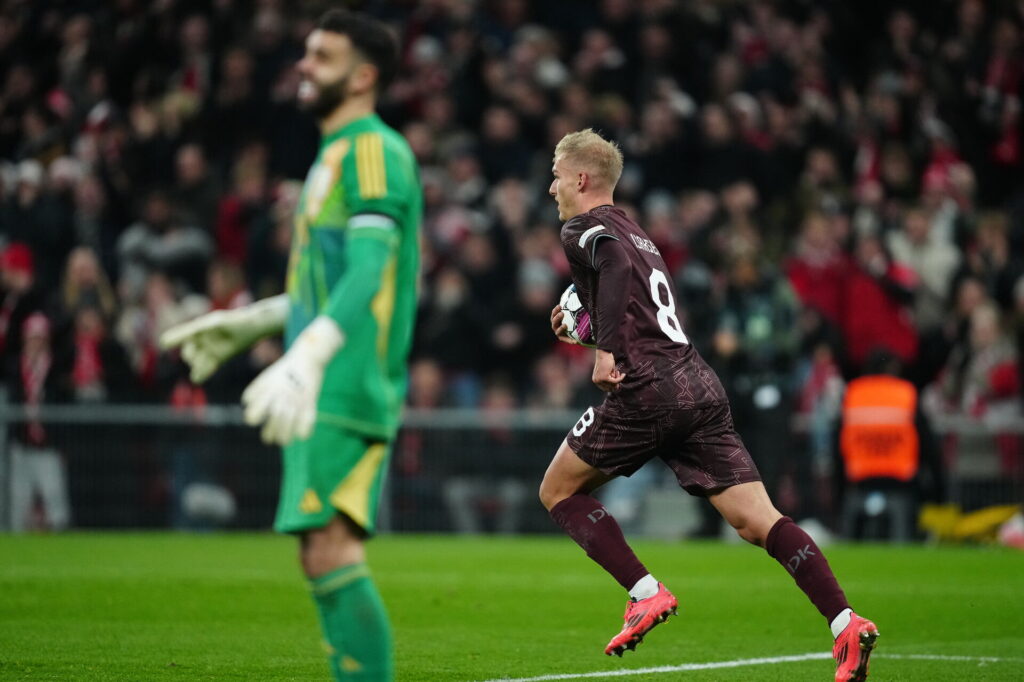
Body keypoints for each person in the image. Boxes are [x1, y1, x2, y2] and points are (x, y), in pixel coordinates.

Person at [540, 129, 878, 682]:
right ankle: (844, 622)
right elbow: (639, 307)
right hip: (696, 382)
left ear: (581, 178)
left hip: (647, 389)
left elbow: (615, 276)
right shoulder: (639, 235)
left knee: (556, 489)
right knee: (758, 521)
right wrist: (586, 331)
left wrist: (602, 352)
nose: (551, 186)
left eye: (556, 174)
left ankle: (644, 592)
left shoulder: (581, 228)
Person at [160, 10, 421, 681]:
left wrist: (308, 354)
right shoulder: (330, 158)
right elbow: (330, 279)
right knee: (318, 550)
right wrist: (256, 322)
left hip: (345, 377)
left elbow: (370, 271)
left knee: (331, 548)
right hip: (327, 373)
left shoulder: (372, 149)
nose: (304, 66)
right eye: (306, 54)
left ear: (364, 77)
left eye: (323, 57)